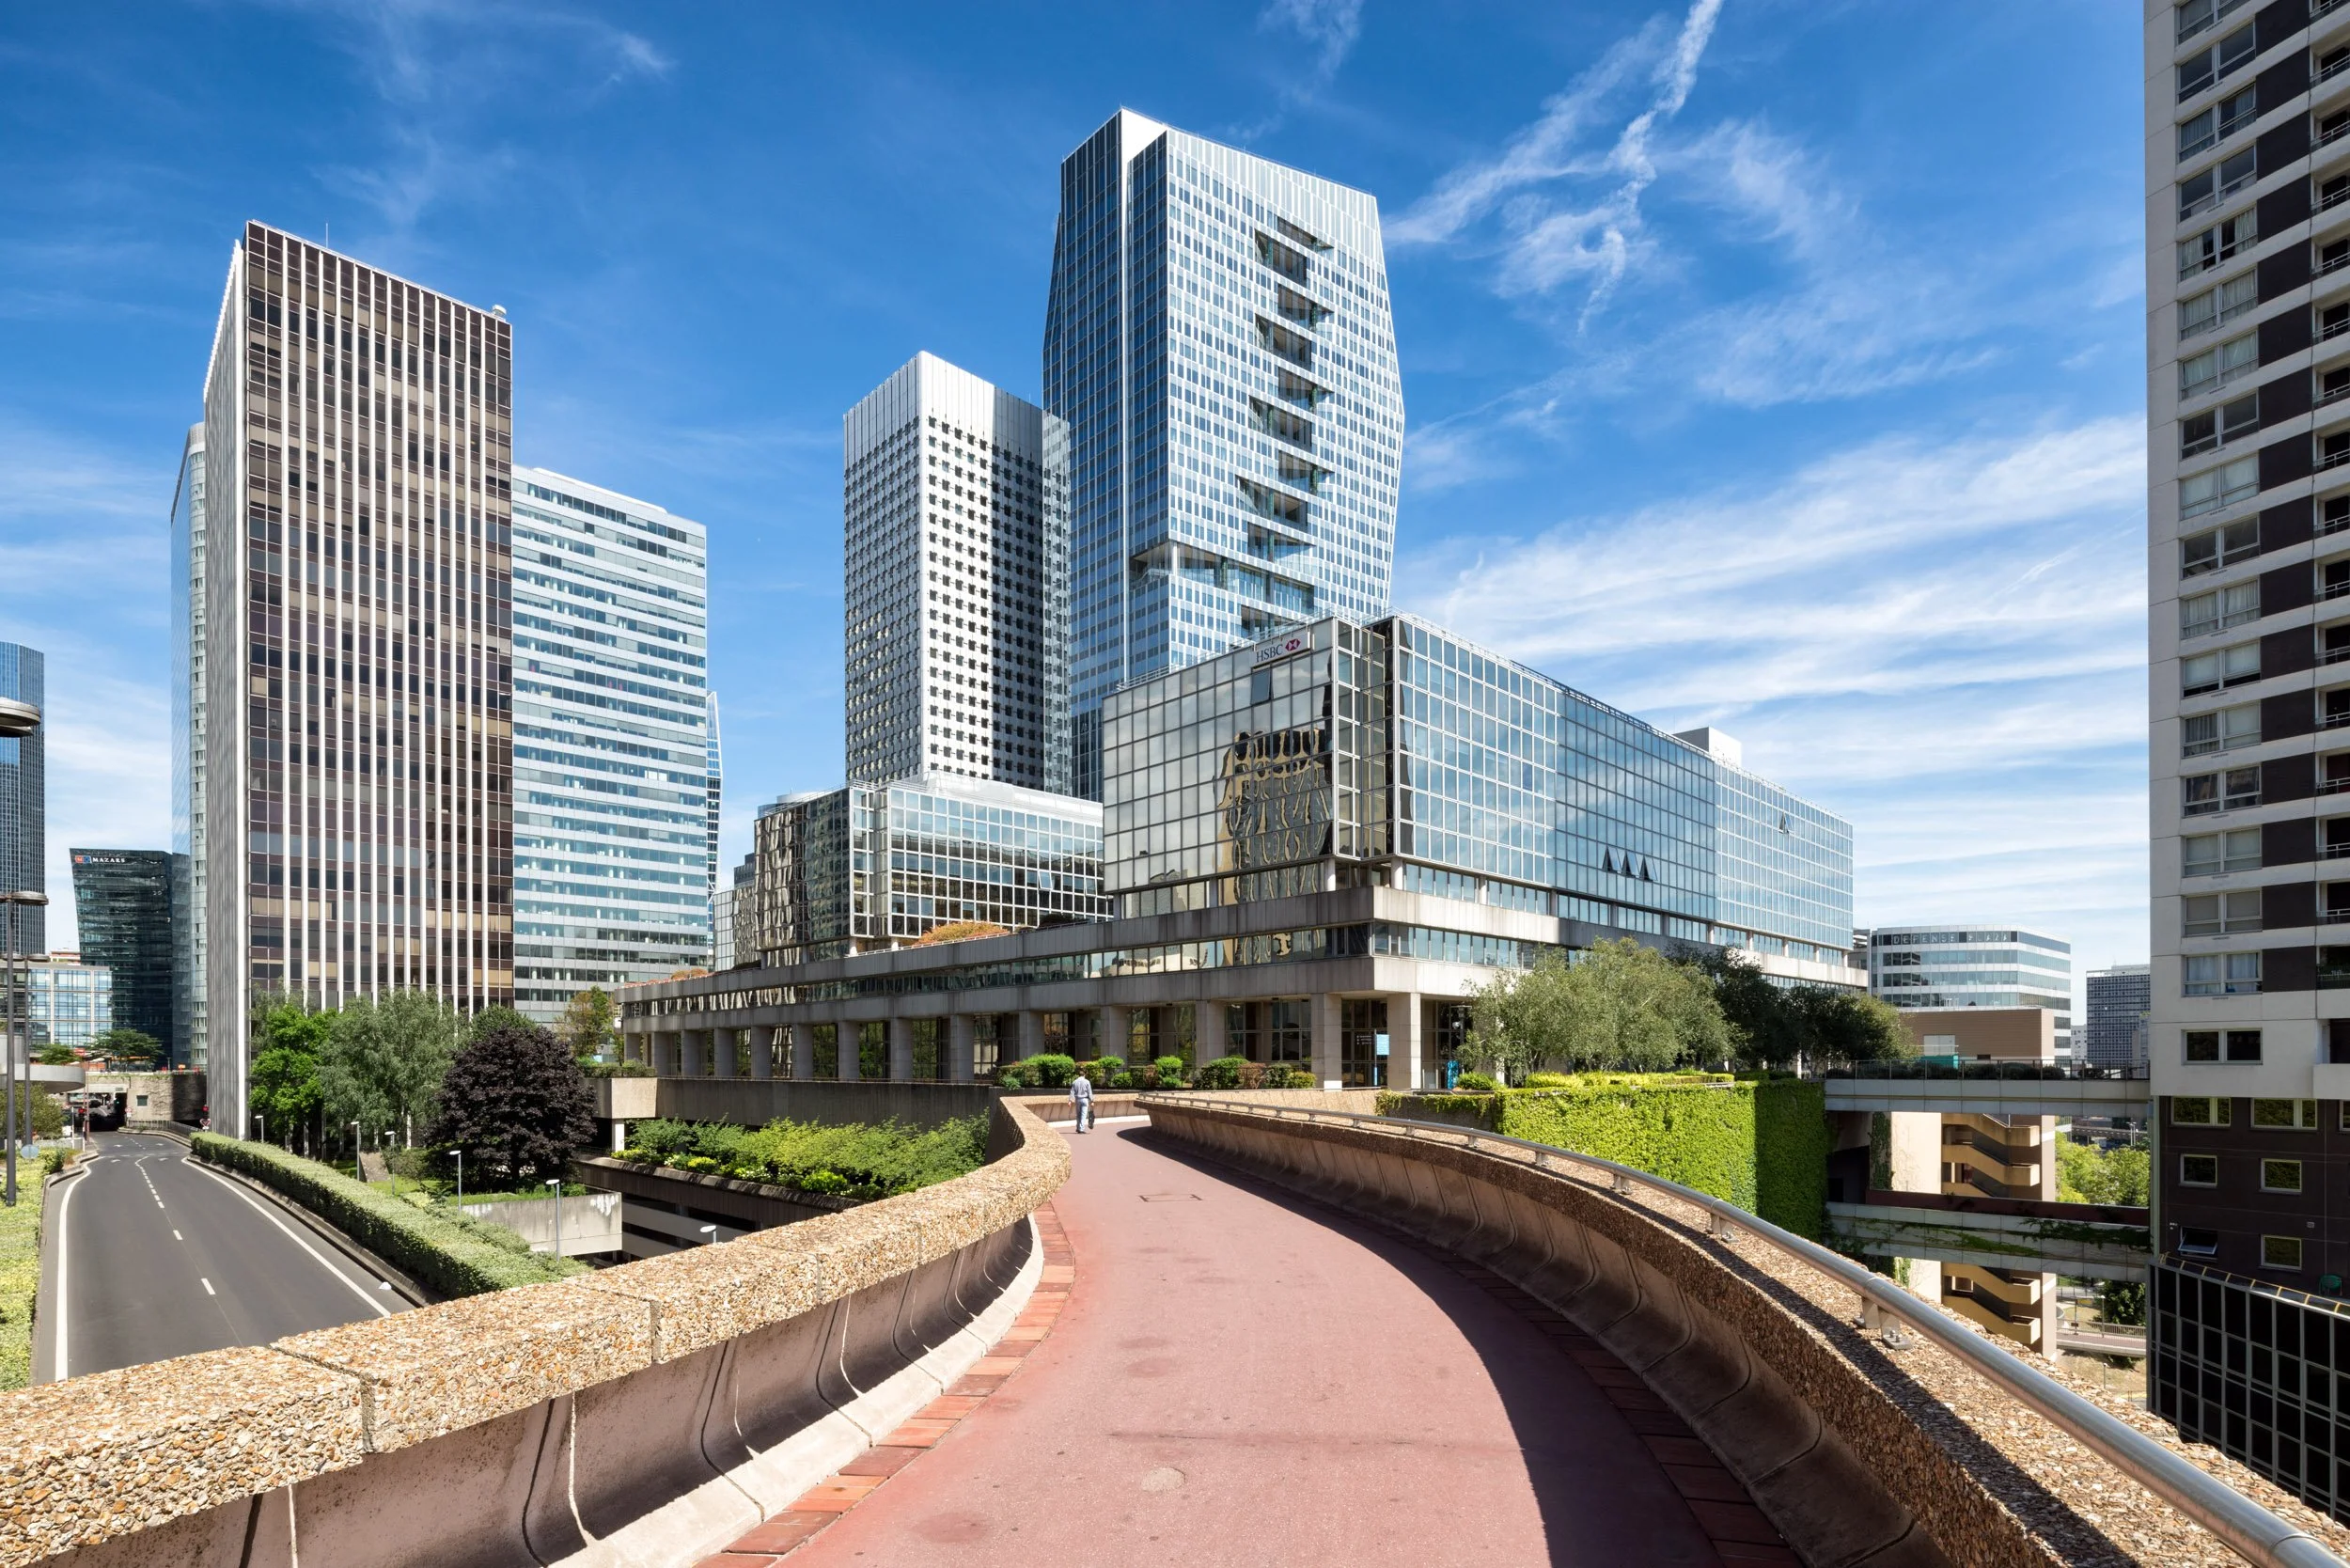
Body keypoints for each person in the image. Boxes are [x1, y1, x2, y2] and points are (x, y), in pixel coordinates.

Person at [1070, 1066, 1094, 1134]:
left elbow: (1072, 1092)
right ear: (1084, 1075)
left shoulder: (1075, 1082)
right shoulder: (1087, 1082)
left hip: (1077, 1099)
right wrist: (1092, 1101)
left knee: (1078, 1114)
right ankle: (1081, 1129)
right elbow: (1089, 1092)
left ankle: (1078, 1128)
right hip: (1085, 1099)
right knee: (1083, 1115)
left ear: (1078, 1075)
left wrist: (1070, 1100)